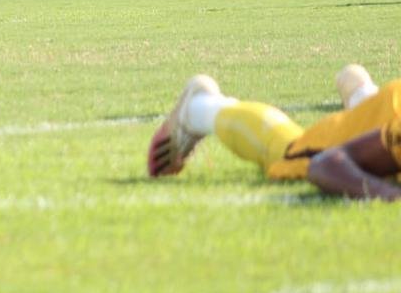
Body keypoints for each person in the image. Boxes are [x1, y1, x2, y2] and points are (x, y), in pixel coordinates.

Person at [148, 64, 401, 202]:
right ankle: (200, 108)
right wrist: (390, 196)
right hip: (378, 121)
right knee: (288, 150)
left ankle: (360, 91)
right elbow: (326, 163)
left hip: (389, 108)